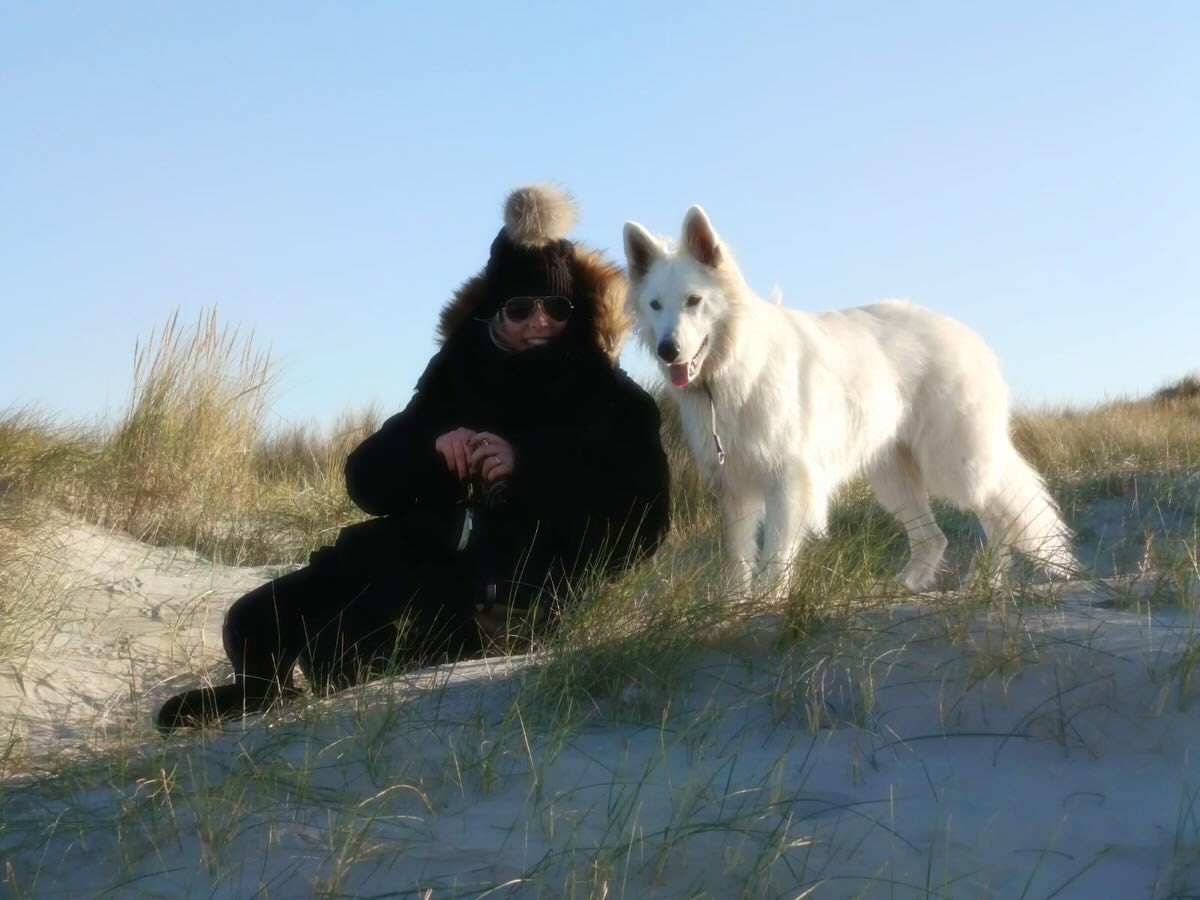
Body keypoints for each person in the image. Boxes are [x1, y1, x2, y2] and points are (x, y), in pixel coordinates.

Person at [156, 184, 671, 730]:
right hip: (425, 550)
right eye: (521, 307)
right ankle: (260, 698)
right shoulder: (457, 376)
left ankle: (324, 726)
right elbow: (365, 479)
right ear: (494, 312)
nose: (540, 321)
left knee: (342, 647)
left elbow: (647, 524)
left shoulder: (612, 399)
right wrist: (431, 451)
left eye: (557, 307)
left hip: (521, 590)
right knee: (253, 622)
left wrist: (529, 470)